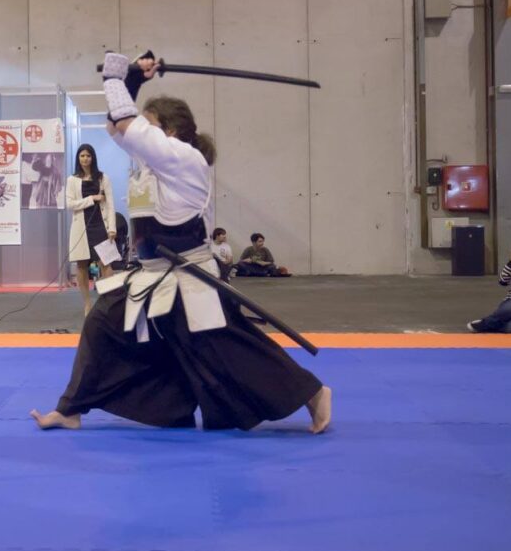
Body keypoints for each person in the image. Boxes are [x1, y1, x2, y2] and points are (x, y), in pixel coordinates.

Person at [31, 52, 330, 434]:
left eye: (150, 125)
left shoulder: (185, 160)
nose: (141, 130)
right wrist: (134, 80)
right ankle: (71, 408)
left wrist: (114, 75)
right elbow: (117, 126)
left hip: (190, 278)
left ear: (169, 133)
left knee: (230, 348)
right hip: (154, 277)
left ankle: (314, 393)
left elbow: (124, 121)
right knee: (104, 320)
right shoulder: (156, 162)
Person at [66, 143, 117, 315]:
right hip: (81, 226)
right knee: (81, 265)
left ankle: (105, 301)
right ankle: (87, 304)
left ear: (93, 157)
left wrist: (112, 228)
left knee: (106, 264)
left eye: (88, 155)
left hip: (100, 225)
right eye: (82, 156)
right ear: (78, 158)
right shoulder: (72, 180)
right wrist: (91, 198)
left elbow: (110, 204)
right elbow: (70, 204)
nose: (85, 159)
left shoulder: (103, 178)